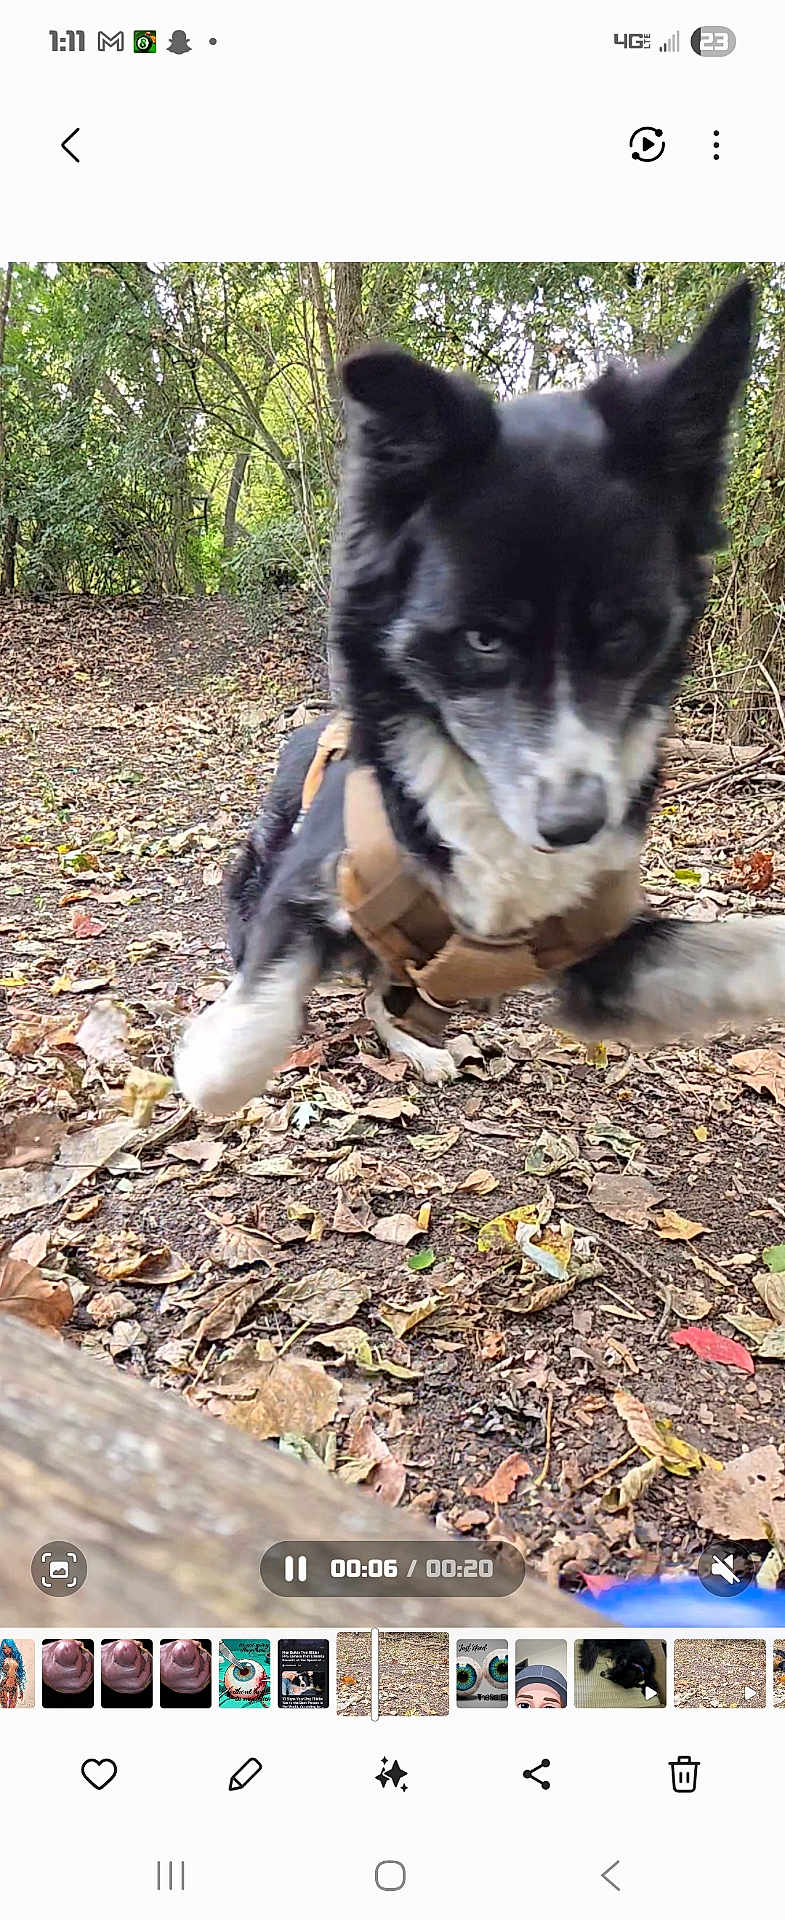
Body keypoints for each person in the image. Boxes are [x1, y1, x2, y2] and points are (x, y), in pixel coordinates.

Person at [0, 1639, 26, 1709]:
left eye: (9, 1647)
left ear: (12, 1647)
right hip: (4, 1686)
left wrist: (21, 1689)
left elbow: (18, 1675)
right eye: (4, 1648)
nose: (6, 1650)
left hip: (14, 1685)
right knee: (4, 1707)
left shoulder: (17, 1659)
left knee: (12, 1706)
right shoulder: (2, 1660)